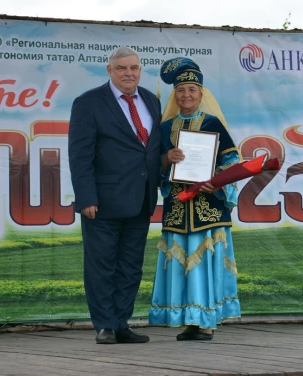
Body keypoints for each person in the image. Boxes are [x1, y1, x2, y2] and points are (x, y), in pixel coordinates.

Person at [68, 47, 162, 344]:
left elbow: (151, 149)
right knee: (101, 265)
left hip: (141, 199)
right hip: (102, 202)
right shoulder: (88, 103)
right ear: (110, 70)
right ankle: (104, 325)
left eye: (134, 67)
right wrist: (86, 197)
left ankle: (121, 322)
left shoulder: (151, 100)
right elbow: (79, 155)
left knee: (131, 266)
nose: (129, 73)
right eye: (122, 68)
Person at [148, 57, 241, 341]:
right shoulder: (164, 129)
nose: (186, 95)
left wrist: (216, 182)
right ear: (175, 95)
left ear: (201, 94)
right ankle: (190, 320)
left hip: (208, 208)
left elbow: (233, 161)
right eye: (181, 90)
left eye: (192, 89)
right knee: (181, 264)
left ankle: (207, 322)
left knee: (204, 264)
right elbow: (153, 169)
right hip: (178, 208)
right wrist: (166, 159)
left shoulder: (213, 124)